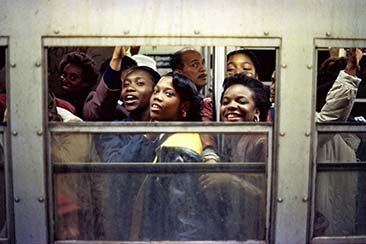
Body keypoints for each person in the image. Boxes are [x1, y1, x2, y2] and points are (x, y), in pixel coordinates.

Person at [200, 73, 271, 240]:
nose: (231, 106)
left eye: (241, 101)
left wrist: (229, 181)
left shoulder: (262, 142)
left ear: (257, 112)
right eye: (226, 102)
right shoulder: (229, 139)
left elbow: (276, 199)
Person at [315, 48, 363, 236]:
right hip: (323, 229)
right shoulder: (316, 129)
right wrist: (350, 71)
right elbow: (332, 114)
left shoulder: (350, 134)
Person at [83, 47, 137, 121]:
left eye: (138, 83)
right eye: (125, 83)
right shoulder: (95, 102)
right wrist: (116, 59)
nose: (130, 88)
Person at [57, 51, 99, 118]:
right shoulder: (57, 100)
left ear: (85, 82)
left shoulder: (90, 106)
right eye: (64, 75)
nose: (65, 79)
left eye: (73, 77)